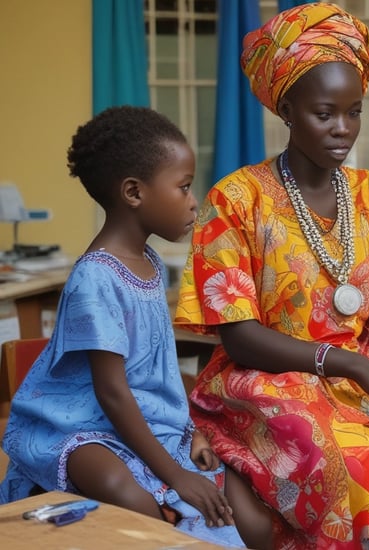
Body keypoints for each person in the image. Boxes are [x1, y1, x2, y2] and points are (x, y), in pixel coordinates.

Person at [174, 3, 369, 549]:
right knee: (358, 455)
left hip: (364, 365)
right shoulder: (235, 199)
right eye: (325, 113)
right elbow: (239, 336)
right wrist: (348, 365)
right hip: (268, 377)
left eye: (354, 111)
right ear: (288, 109)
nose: (343, 128)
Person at [0, 106, 263, 548]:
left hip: (138, 418)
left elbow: (155, 368)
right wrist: (175, 473)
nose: (193, 199)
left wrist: (190, 430)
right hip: (77, 424)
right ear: (134, 193)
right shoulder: (95, 278)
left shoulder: (150, 263)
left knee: (247, 517)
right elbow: (112, 392)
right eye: (182, 187)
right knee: (130, 496)